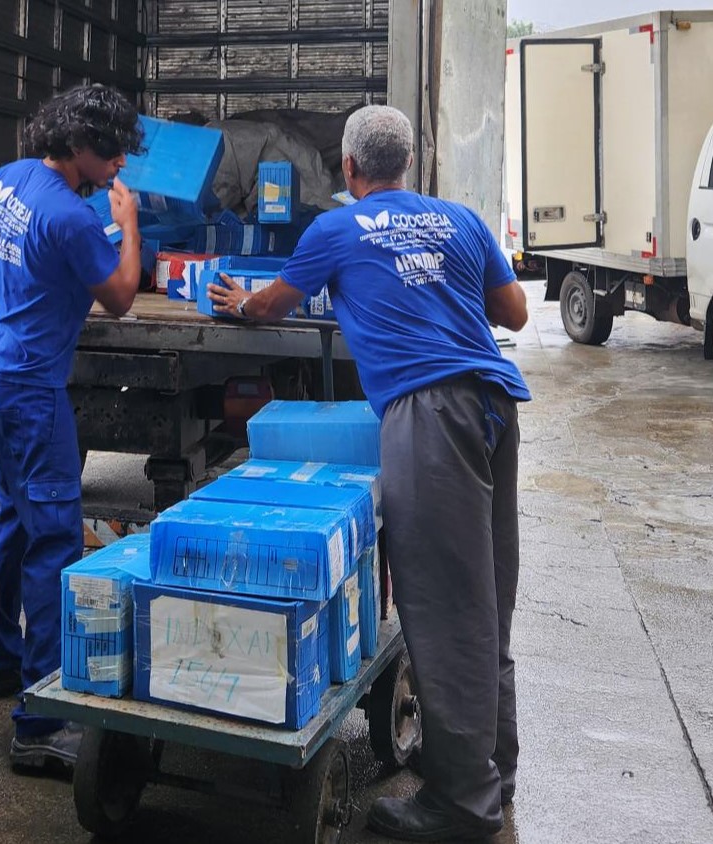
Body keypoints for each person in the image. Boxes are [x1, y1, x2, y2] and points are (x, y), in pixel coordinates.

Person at [207, 104, 529, 841]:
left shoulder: (334, 229)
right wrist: (443, 283)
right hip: (494, 409)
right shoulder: (461, 220)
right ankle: (493, 770)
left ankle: (461, 805)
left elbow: (270, 305)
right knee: (488, 600)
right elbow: (513, 314)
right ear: (407, 166)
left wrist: (236, 300)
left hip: (429, 416)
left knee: (445, 610)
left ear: (349, 171)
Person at [0, 84, 145, 772]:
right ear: (80, 146)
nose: (120, 166)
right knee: (55, 539)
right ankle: (39, 721)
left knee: (12, 518)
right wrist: (131, 224)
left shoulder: (12, 178)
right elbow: (121, 299)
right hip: (35, 389)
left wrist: (26, 275)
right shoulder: (73, 218)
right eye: (112, 154)